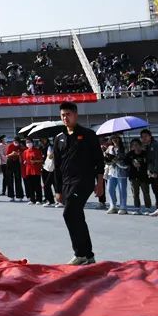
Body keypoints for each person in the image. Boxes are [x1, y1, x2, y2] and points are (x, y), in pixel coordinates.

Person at [52, 102, 105, 265]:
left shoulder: (88, 135)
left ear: (75, 115)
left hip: (83, 181)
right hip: (67, 183)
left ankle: (79, 253)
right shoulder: (59, 138)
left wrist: (100, 182)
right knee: (77, 216)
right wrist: (58, 190)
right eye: (62, 115)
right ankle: (88, 255)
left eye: (68, 114)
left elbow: (99, 160)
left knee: (69, 213)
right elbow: (57, 167)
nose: (65, 118)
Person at [125, 138, 152, 215]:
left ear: (140, 145)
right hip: (133, 177)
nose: (135, 146)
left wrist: (142, 165)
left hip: (144, 177)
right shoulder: (129, 154)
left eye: (136, 145)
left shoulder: (145, 154)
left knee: (146, 193)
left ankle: (148, 208)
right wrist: (131, 162)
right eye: (133, 145)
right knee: (135, 193)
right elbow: (125, 162)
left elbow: (149, 163)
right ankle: (137, 208)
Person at [104, 136, 128, 214]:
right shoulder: (110, 148)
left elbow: (126, 160)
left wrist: (117, 159)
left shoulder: (124, 148)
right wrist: (105, 155)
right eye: (113, 138)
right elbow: (106, 157)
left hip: (121, 171)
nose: (115, 140)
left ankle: (123, 207)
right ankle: (113, 206)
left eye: (116, 138)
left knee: (122, 190)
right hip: (111, 171)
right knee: (110, 188)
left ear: (119, 139)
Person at [22, 139, 43, 205]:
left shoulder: (37, 150)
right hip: (28, 170)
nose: (28, 143)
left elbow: (41, 160)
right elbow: (24, 159)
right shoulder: (25, 151)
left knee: (37, 185)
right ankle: (32, 199)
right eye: (27, 142)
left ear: (32, 143)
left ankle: (39, 199)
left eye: (29, 142)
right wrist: (25, 162)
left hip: (36, 170)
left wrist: (35, 161)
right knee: (30, 186)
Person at [41, 138, 58, 207]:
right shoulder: (46, 147)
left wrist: (52, 154)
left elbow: (51, 157)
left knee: (55, 185)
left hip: (55, 168)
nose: (43, 141)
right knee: (47, 185)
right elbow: (49, 157)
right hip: (48, 168)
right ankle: (51, 200)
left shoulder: (55, 148)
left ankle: (58, 201)